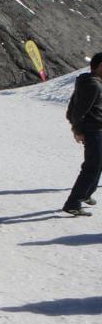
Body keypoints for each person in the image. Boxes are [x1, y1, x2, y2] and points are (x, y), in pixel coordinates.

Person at [62, 52, 102, 216]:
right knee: (92, 167)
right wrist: (77, 130)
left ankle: (85, 194)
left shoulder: (88, 81)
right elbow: (78, 111)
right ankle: (73, 203)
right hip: (94, 131)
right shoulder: (93, 85)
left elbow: (72, 107)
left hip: (96, 130)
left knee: (98, 165)